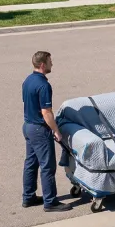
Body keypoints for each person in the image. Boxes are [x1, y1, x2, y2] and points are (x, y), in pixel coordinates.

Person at [21, 51, 71, 212]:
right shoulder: (43, 85)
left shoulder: (27, 81)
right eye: (50, 61)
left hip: (28, 126)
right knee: (47, 166)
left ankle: (28, 197)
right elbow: (46, 112)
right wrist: (56, 130)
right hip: (39, 130)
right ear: (43, 64)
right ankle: (50, 201)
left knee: (31, 163)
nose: (52, 64)